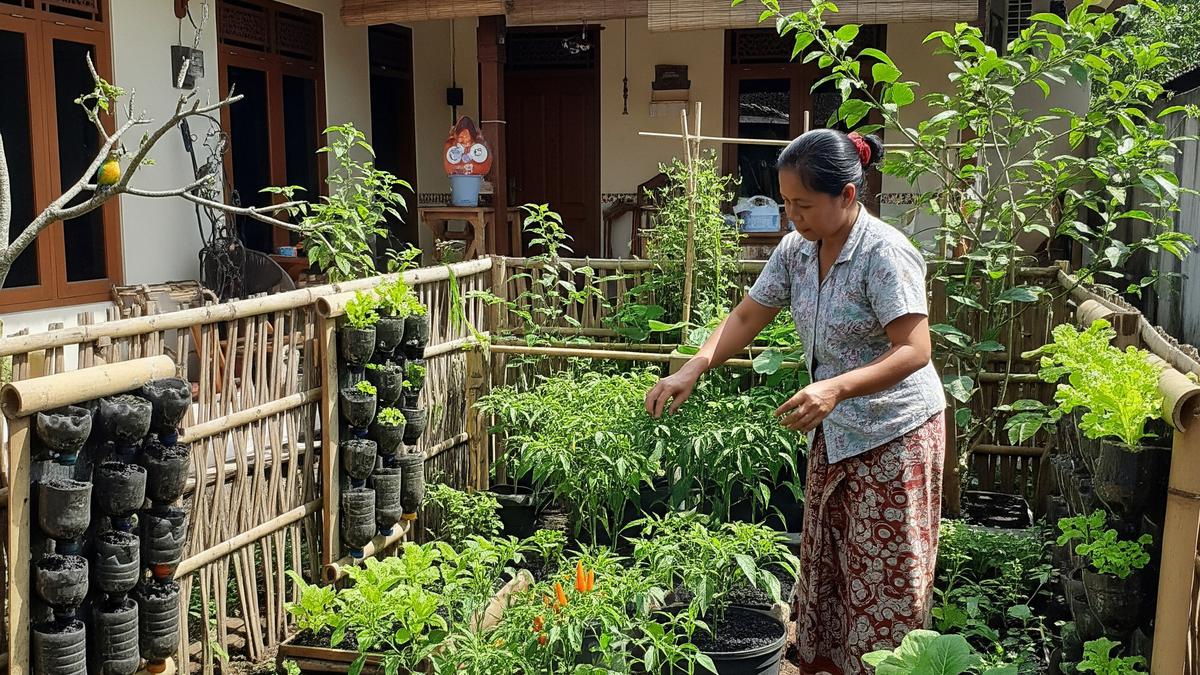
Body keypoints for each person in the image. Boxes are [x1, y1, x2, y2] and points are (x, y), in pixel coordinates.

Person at [644, 128, 946, 675]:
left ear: (847, 197)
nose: (791, 216)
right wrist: (695, 365)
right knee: (829, 562)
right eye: (786, 202)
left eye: (803, 204)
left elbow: (915, 349)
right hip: (833, 428)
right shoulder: (796, 250)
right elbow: (745, 316)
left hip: (894, 431)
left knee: (884, 572)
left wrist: (836, 386)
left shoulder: (885, 253)